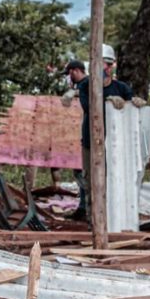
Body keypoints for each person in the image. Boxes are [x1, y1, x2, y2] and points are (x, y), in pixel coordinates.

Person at [75, 44, 143, 220]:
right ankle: (92, 219)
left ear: (111, 66)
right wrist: (108, 100)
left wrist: (134, 104)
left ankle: (112, 218)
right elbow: (89, 108)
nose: (101, 68)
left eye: (104, 64)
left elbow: (131, 114)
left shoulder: (122, 88)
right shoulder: (86, 86)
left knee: (113, 181)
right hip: (91, 142)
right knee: (91, 182)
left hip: (115, 145)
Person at [60, 59, 88, 218]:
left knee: (84, 173)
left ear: (75, 71)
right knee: (80, 171)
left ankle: (86, 208)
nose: (69, 77)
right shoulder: (81, 85)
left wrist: (74, 92)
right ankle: (83, 207)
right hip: (81, 135)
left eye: (69, 74)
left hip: (89, 136)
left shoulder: (87, 83)